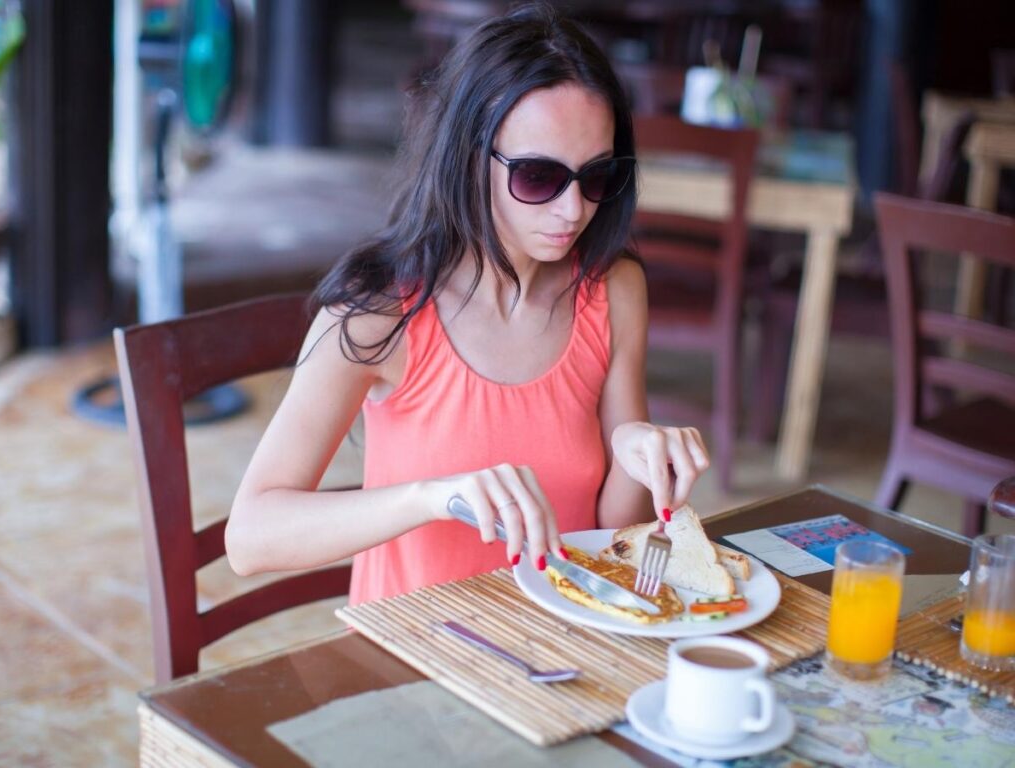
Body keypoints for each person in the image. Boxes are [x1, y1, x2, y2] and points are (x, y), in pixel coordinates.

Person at [225, 3, 710, 604]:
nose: (573, 210)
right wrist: (431, 497)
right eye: (538, 177)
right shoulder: (379, 314)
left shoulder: (610, 289)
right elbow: (249, 539)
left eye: (596, 177)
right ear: (467, 155)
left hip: (562, 643)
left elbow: (610, 534)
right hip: (420, 662)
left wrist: (638, 458)